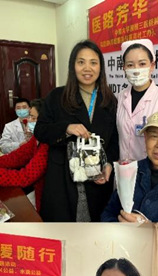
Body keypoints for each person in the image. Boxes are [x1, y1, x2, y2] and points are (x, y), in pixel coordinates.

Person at [34, 40, 119, 221]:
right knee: (63, 228)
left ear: (101, 68)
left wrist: (109, 165)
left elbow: (114, 140)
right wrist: (66, 128)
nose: (87, 68)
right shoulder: (57, 96)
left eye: (93, 63)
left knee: (96, 228)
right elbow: (40, 130)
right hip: (62, 179)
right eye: (81, 62)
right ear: (73, 66)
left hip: (96, 177)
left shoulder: (109, 101)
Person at [117, 39, 158, 162]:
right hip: (123, 168)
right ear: (124, 68)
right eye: (130, 65)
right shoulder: (120, 96)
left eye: (142, 64)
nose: (136, 70)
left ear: (152, 66)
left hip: (150, 170)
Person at [0, 99, 48, 211]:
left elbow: (25, 177)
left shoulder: (46, 144)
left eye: (33, 118)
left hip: (45, 196)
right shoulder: (36, 138)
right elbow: (15, 157)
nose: (29, 120)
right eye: (30, 116)